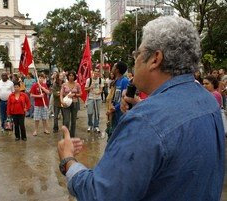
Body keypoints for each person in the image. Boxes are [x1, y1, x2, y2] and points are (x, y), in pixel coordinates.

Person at [57, 16, 224, 200]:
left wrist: (68, 160)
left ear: (155, 59)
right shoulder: (208, 102)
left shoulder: (145, 121)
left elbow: (100, 194)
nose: (135, 61)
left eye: (137, 54)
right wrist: (142, 105)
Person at [106, 61, 129, 139]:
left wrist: (115, 108)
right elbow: (114, 96)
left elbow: (125, 99)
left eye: (114, 66)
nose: (112, 68)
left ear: (117, 70)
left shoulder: (124, 81)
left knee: (120, 134)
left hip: (120, 112)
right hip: (114, 111)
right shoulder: (115, 81)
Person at [60, 71, 81, 137]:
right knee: (66, 121)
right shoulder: (64, 84)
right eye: (70, 75)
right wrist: (61, 101)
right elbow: (61, 94)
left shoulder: (77, 84)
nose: (71, 77)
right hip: (66, 104)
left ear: (74, 77)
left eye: (72, 75)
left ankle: (72, 136)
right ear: (68, 76)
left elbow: (81, 93)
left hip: (74, 103)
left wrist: (74, 94)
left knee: (73, 121)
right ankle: (65, 136)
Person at [85, 68, 103, 133]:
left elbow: (101, 89)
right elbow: (85, 89)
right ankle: (90, 125)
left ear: (99, 73)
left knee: (97, 113)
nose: (96, 73)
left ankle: (96, 126)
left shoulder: (101, 80)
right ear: (93, 72)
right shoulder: (89, 80)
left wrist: (99, 92)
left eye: (98, 72)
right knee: (90, 113)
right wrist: (90, 87)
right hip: (90, 98)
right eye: (95, 71)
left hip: (98, 98)